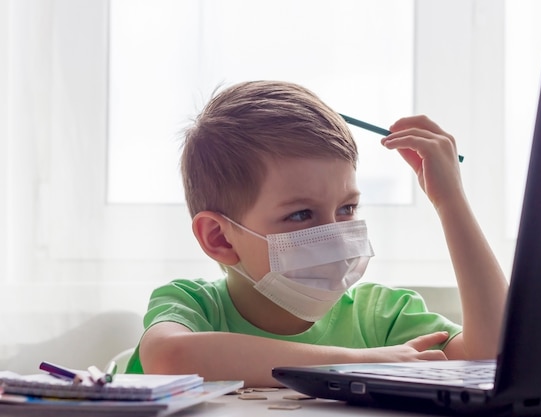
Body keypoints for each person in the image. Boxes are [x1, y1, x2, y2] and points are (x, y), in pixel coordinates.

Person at [125, 80, 508, 387]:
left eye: (347, 209)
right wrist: (369, 363)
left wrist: (450, 202)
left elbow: (493, 357)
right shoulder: (196, 307)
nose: (338, 237)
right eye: (301, 214)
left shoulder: (381, 316)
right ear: (220, 238)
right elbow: (169, 357)